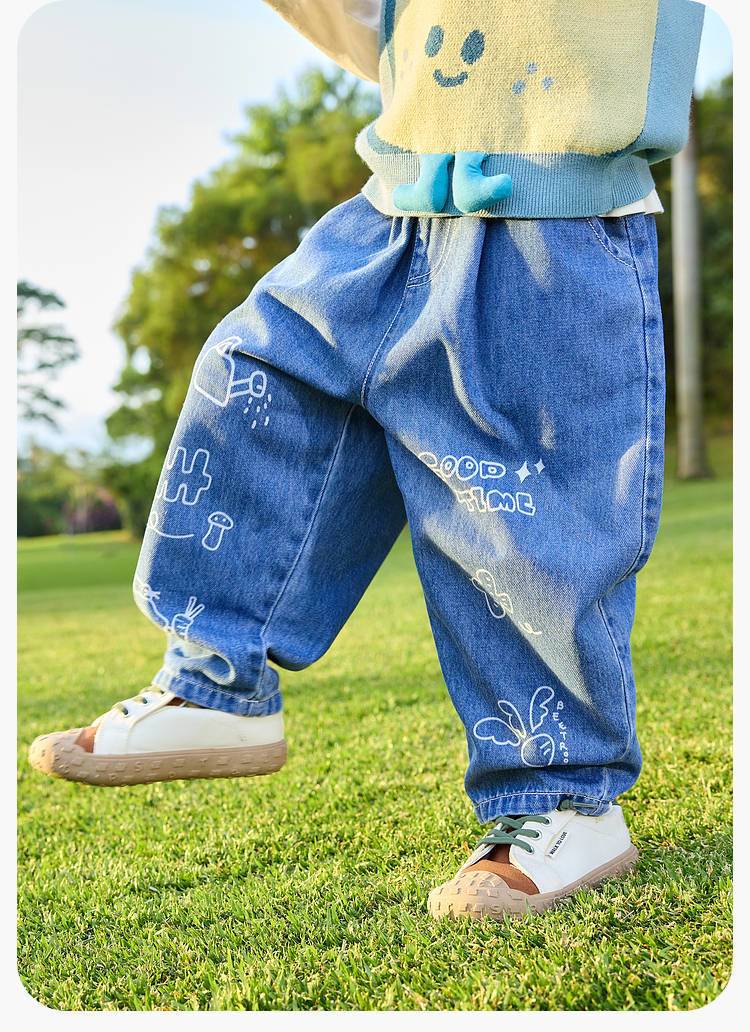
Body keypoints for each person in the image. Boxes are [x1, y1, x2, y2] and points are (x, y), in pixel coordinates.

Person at [29, 0, 705, 920]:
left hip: (555, 216)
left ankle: (565, 800)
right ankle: (219, 676)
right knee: (260, 371)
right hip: (390, 204)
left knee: (514, 514)